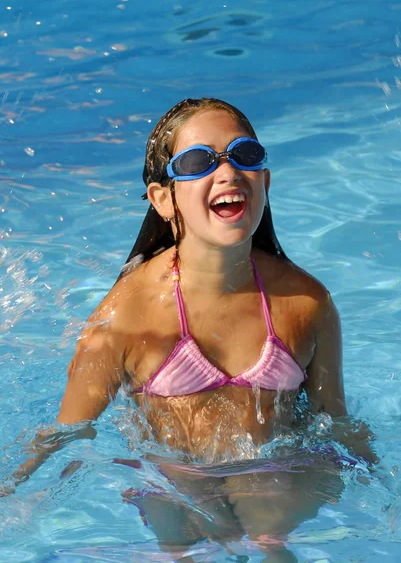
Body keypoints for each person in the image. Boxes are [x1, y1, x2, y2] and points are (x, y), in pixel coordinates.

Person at [8, 98, 376, 561]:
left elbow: (334, 421)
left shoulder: (306, 302)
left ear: (264, 179)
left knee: (271, 529)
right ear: (163, 198)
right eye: (199, 162)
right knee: (180, 533)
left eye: (245, 155)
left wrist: (385, 492)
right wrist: (15, 490)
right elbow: (68, 431)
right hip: (171, 478)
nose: (227, 173)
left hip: (274, 474)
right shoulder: (127, 316)